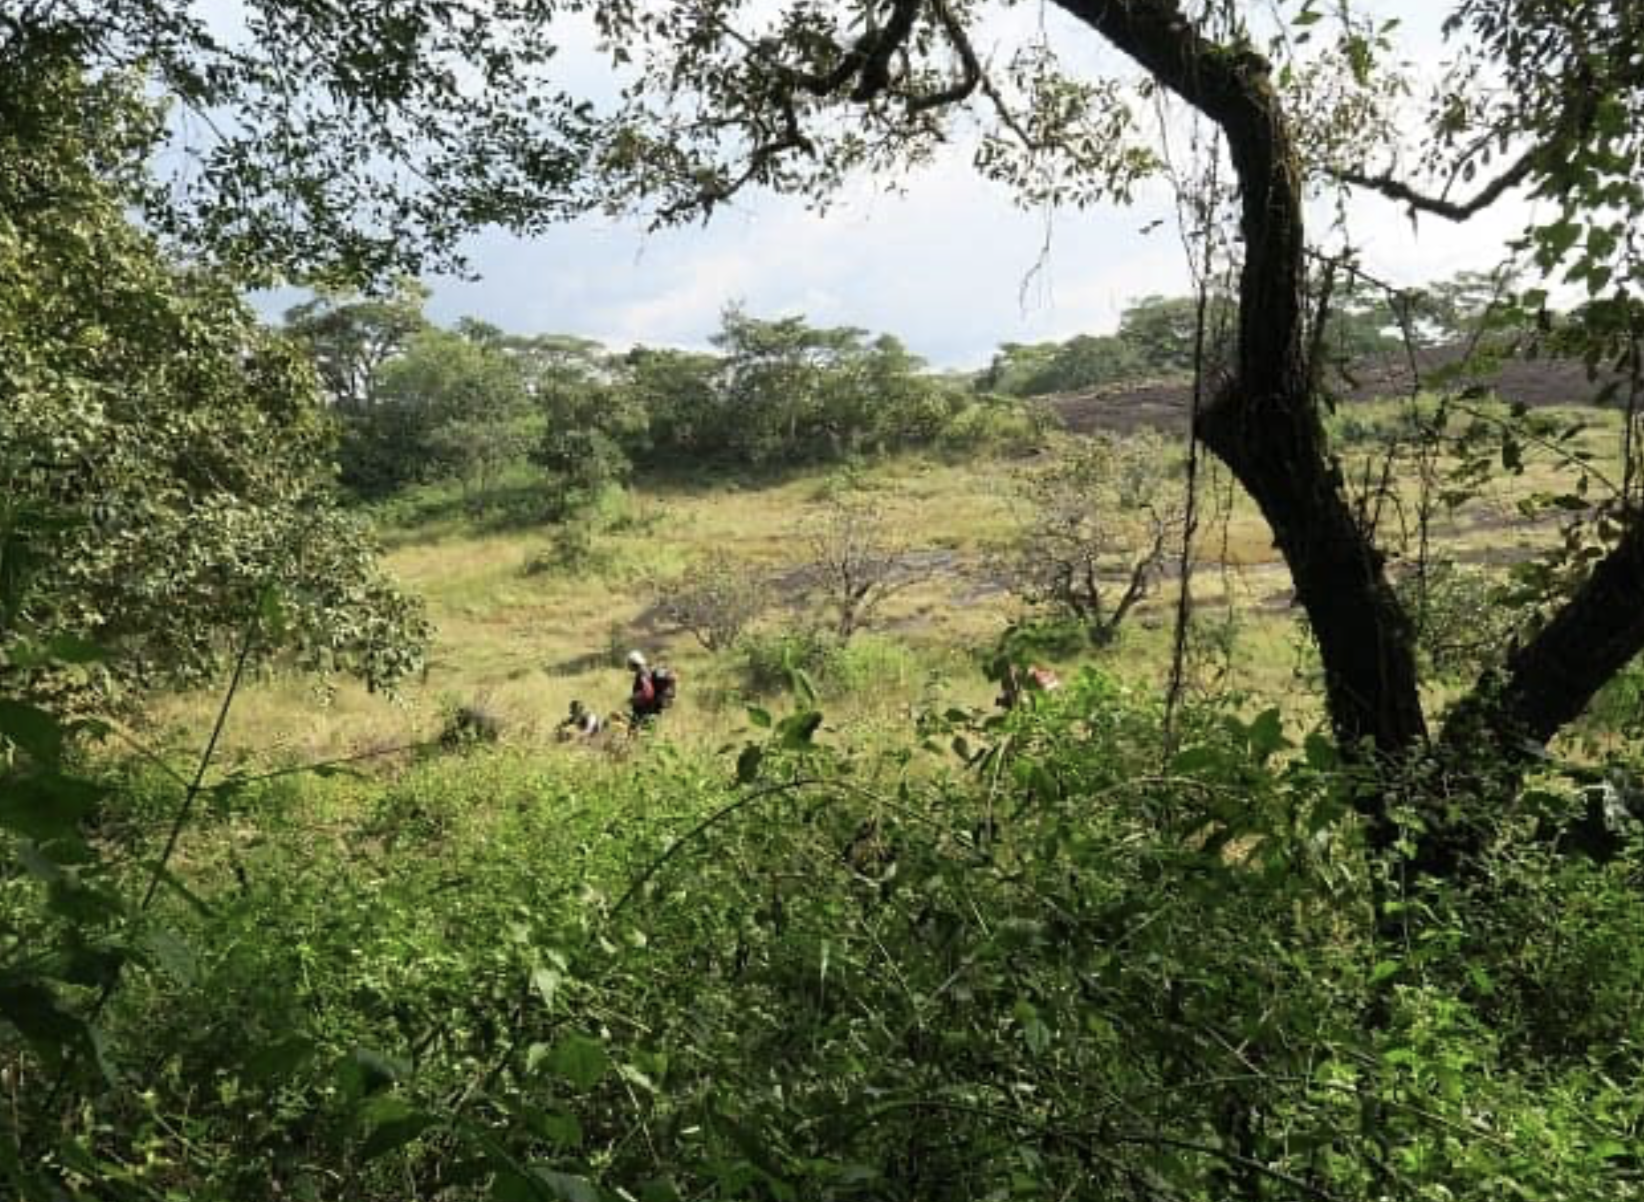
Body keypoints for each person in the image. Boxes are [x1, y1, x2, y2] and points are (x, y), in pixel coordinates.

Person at [627, 649, 677, 724]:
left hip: (646, 711)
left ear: (632, 663)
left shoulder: (643, 673)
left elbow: (648, 693)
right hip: (653, 709)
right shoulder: (649, 669)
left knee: (642, 732)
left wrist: (634, 698)